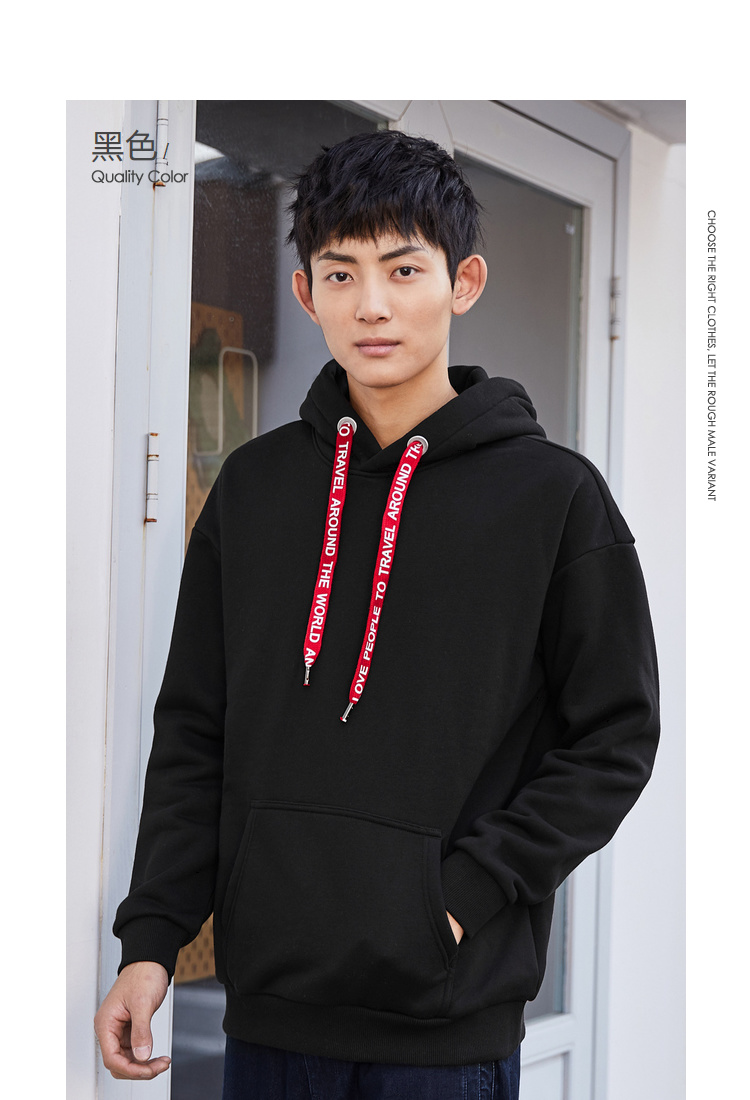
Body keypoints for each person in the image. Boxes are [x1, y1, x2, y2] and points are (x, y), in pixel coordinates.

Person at [95, 129, 660, 1099]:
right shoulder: (254, 490)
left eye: (403, 269)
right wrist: (152, 938)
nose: (372, 305)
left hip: (445, 1030)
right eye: (341, 272)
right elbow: (195, 728)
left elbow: (614, 737)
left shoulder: (555, 499)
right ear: (305, 291)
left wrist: (462, 897)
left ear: (463, 282)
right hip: (269, 1018)